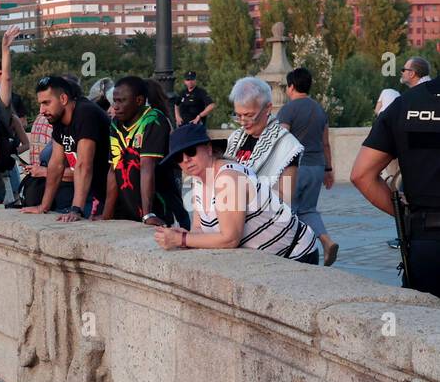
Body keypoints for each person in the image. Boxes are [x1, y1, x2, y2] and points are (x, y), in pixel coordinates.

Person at [154, 124, 318, 263]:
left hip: (296, 254)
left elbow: (230, 238)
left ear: (209, 149)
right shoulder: (199, 180)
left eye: (190, 151)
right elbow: (199, 228)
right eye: (178, 157)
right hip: (270, 258)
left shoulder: (228, 177)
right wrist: (184, 236)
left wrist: (181, 240)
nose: (185, 160)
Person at [351, 72, 440, 296]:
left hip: (427, 243)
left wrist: (404, 216)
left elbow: (361, 175)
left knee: (422, 326)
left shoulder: (406, 105)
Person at [23, 76, 111, 222]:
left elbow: (83, 164)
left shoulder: (85, 113)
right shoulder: (59, 118)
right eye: (40, 104)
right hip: (99, 193)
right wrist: (43, 206)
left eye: (46, 103)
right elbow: (56, 164)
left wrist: (76, 209)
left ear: (63, 99)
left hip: (117, 193)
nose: (41, 110)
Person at [103, 76, 185, 228]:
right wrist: (106, 215)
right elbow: (114, 169)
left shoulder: (153, 120)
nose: (115, 106)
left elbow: (147, 167)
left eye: (121, 101)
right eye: (115, 101)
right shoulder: (116, 123)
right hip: (129, 210)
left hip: (159, 209)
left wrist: (147, 214)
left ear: (139, 101)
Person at [277, 67, 338, 265]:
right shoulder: (319, 109)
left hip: (296, 168)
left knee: (288, 210)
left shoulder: (288, 109)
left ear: (292, 86)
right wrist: (328, 170)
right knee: (309, 210)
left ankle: (293, 249)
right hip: (317, 166)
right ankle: (326, 241)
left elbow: (282, 140)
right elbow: (325, 143)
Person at [225, 76, 302, 205]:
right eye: (238, 115)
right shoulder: (235, 139)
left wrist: (245, 192)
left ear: (267, 108)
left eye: (249, 115)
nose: (243, 121)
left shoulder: (286, 145)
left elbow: (286, 197)